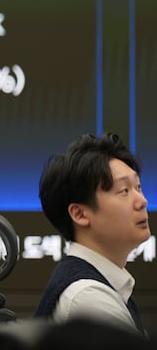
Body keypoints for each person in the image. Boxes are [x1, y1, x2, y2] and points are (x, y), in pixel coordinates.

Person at [34, 133, 151, 337]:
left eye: (138, 187)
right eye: (124, 190)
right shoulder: (88, 298)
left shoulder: (101, 286)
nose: (142, 201)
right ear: (79, 214)